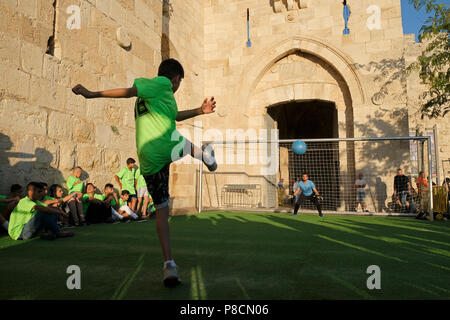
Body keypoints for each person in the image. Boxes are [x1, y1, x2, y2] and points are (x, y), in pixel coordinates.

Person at [72, 58, 217, 287]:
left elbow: (175, 116)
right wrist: (93, 94)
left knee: (161, 209)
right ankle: (205, 155)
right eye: (178, 83)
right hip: (161, 144)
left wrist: (200, 110)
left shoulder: (160, 98)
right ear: (176, 79)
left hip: (148, 158)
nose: (176, 88)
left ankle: (169, 265)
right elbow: (129, 91)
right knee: (181, 142)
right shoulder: (161, 85)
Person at [8, 182, 74, 241]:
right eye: (39, 192)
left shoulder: (36, 201)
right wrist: (60, 213)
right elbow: (42, 209)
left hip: (28, 230)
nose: (41, 194)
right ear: (30, 192)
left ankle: (49, 233)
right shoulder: (24, 201)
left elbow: (49, 208)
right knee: (44, 211)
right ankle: (57, 232)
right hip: (20, 233)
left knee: (53, 211)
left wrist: (62, 213)